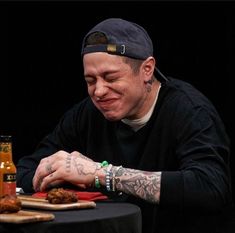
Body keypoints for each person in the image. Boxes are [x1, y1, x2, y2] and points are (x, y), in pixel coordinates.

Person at [17, 18, 232, 233]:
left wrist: (101, 175)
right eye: (90, 81)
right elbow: (24, 172)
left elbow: (210, 187)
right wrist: (67, 174)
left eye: (110, 77)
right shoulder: (87, 113)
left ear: (147, 69)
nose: (99, 91)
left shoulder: (189, 110)